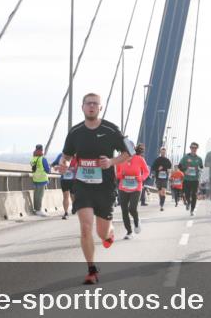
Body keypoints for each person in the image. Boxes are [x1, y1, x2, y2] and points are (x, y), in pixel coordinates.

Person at [61, 92, 131, 285]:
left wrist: (111, 162)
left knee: (102, 233)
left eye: (95, 104)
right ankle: (91, 270)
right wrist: (64, 164)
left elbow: (129, 152)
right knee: (85, 228)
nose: (91, 106)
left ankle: (109, 233)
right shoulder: (75, 132)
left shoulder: (111, 129)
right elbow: (66, 156)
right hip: (82, 186)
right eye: (88, 103)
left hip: (105, 187)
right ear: (82, 107)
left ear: (100, 107)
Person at [116, 143, 150, 239]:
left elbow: (146, 171)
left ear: (133, 149)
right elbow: (117, 174)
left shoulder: (139, 159)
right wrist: (121, 174)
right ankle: (129, 232)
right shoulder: (120, 159)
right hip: (123, 187)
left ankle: (136, 221)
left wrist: (141, 178)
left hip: (136, 187)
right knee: (124, 210)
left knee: (132, 208)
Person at [178, 142, 205, 216]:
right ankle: (188, 202)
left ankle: (192, 210)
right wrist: (184, 170)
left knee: (194, 195)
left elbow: (201, 167)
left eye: (195, 148)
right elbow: (179, 166)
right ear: (190, 148)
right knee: (187, 194)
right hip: (186, 179)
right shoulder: (186, 157)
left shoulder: (199, 159)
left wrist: (199, 169)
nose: (193, 149)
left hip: (195, 180)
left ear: (197, 149)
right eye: (192, 147)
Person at [50, 151, 75, 219]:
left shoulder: (75, 155)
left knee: (72, 196)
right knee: (66, 196)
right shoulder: (61, 155)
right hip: (66, 179)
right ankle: (66, 212)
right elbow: (53, 164)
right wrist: (55, 167)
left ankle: (73, 207)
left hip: (73, 179)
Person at [29, 144, 52, 216]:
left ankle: (36, 209)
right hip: (42, 179)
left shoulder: (33, 159)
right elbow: (47, 170)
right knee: (40, 195)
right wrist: (50, 168)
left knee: (36, 195)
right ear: (42, 150)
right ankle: (39, 210)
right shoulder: (43, 159)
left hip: (35, 178)